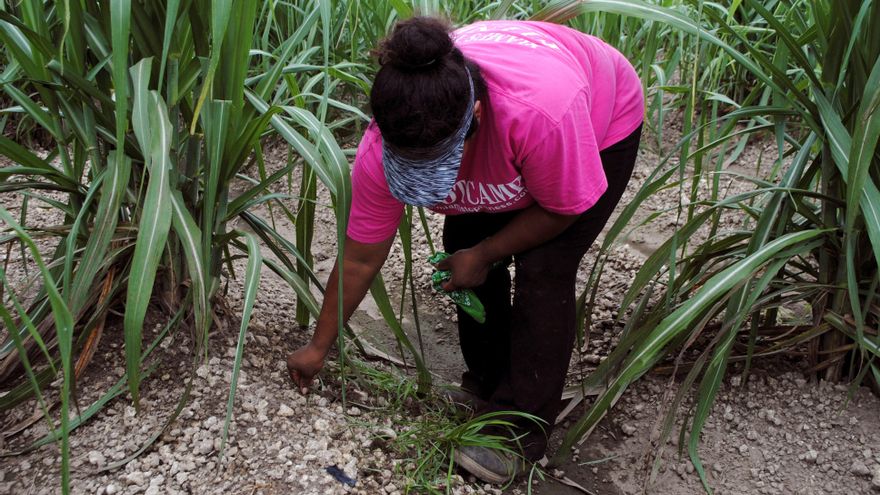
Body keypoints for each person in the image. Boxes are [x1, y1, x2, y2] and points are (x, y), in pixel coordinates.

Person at [287, 16, 644, 484]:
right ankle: (490, 387)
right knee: (461, 243)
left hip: (598, 117)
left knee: (544, 267)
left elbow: (561, 209)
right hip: (513, 131)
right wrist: (318, 346)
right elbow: (359, 258)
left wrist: (487, 253)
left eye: (441, 163)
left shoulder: (540, 113)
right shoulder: (386, 140)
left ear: (474, 118)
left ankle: (518, 431)